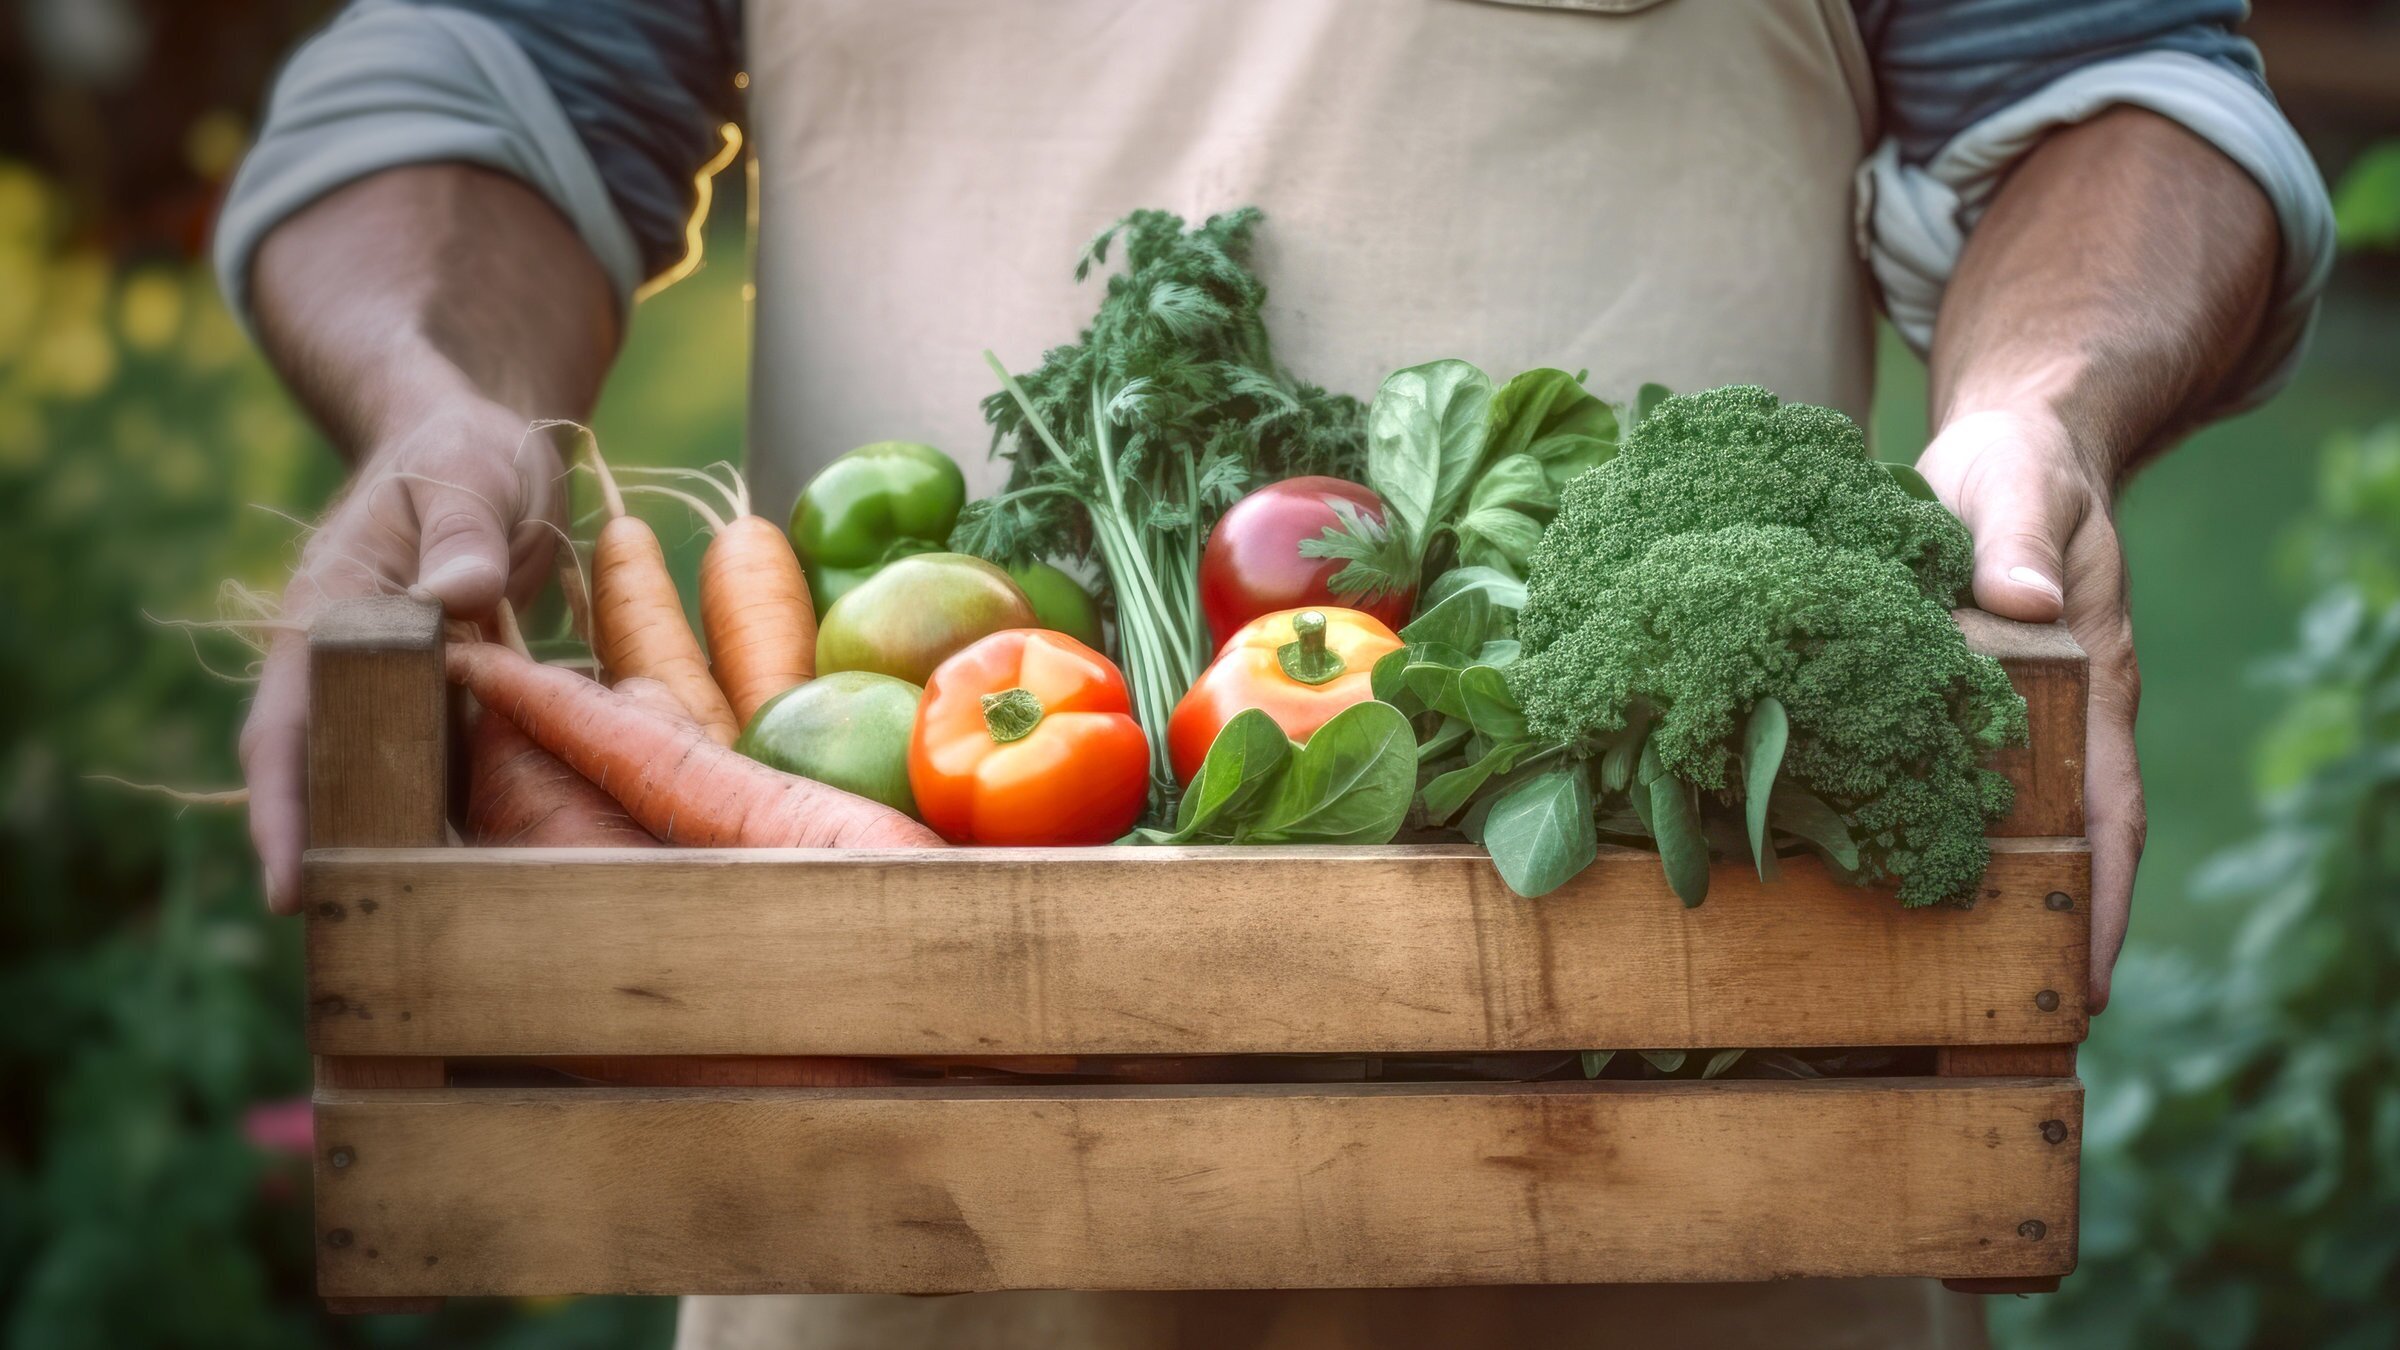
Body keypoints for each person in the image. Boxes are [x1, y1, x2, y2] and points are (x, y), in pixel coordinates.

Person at [217, 1, 2333, 1345]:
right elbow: (481, 74)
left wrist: (2038, 403)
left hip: (1708, 1203)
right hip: (905, 1232)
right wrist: (430, 389)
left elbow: (2109, 86)